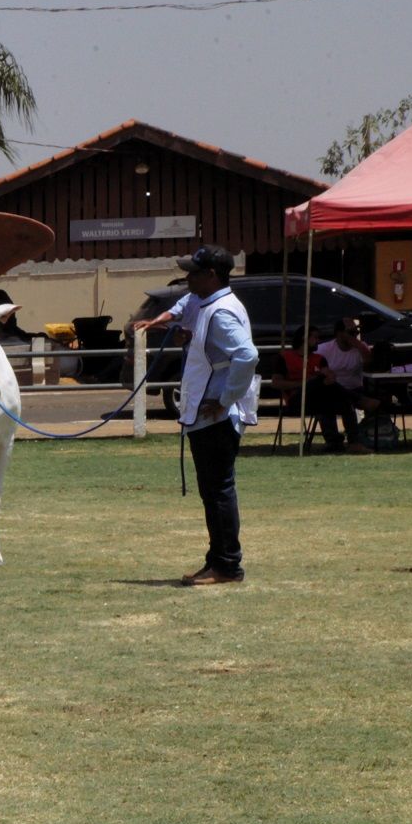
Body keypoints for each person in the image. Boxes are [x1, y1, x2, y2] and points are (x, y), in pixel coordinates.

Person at [126, 245, 258, 586]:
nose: (187, 278)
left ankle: (227, 565)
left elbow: (247, 356)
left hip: (216, 415)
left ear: (211, 276)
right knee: (214, 491)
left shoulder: (220, 312)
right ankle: (219, 562)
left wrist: (227, 399)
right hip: (207, 414)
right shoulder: (208, 305)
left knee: (218, 491)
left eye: (194, 273)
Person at [308, 316, 381, 454]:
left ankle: (351, 441)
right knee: (332, 400)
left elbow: (369, 364)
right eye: (351, 332)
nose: (354, 335)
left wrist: (358, 345)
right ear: (339, 333)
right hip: (332, 391)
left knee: (344, 399)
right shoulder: (325, 349)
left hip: (355, 389)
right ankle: (339, 441)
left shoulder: (360, 348)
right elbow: (312, 366)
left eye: (356, 332)